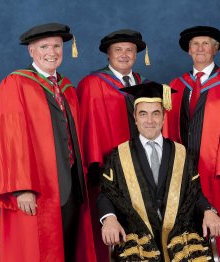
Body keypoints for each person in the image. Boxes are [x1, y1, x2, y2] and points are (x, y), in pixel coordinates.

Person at [0, 23, 96, 262]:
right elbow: (11, 137)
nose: (52, 52)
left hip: (71, 186)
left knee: (69, 249)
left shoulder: (67, 88)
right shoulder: (16, 83)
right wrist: (21, 187)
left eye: (57, 46)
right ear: (31, 51)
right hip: (38, 190)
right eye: (44, 46)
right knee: (38, 252)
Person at [97, 81, 220, 261]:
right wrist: (109, 219)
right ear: (135, 117)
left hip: (178, 235)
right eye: (143, 114)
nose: (150, 120)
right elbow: (106, 194)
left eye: (156, 113)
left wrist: (209, 211)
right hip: (139, 236)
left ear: (164, 117)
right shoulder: (119, 156)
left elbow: (194, 194)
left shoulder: (182, 153)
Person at [163, 25, 220, 262]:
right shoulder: (176, 84)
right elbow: (168, 129)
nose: (200, 48)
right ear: (189, 50)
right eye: (195, 44)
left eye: (206, 43)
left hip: (218, 173)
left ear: (216, 48)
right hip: (184, 172)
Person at [76, 28, 149, 261]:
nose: (124, 54)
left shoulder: (144, 83)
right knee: (109, 229)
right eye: (118, 50)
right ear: (108, 54)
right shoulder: (92, 83)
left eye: (130, 50)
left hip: (142, 170)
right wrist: (95, 166)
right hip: (107, 170)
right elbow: (88, 129)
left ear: (137, 54)